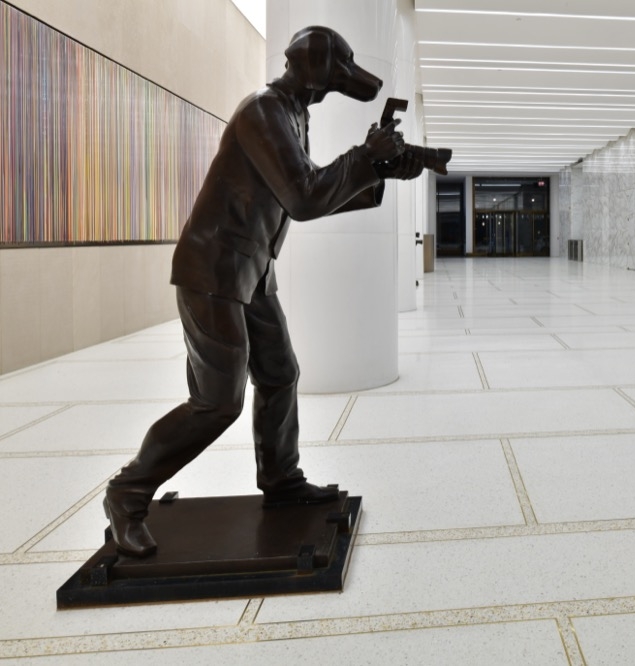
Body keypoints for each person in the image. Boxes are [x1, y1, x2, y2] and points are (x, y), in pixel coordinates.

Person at [104, 26, 423, 557]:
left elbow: (309, 191)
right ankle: (128, 492)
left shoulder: (293, 117)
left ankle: (281, 482)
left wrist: (378, 172)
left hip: (251, 269)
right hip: (214, 271)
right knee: (216, 403)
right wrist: (364, 160)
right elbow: (303, 198)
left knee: (279, 373)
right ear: (316, 71)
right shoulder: (263, 111)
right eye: (338, 71)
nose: (345, 82)